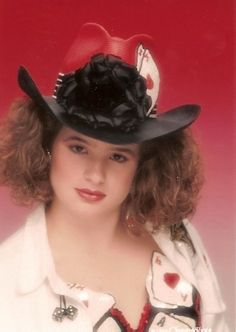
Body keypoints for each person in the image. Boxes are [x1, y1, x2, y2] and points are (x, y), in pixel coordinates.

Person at [0, 23, 228, 332]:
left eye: (118, 156)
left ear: (143, 165)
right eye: (79, 148)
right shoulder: (8, 281)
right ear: (46, 145)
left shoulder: (179, 240)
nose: (96, 174)